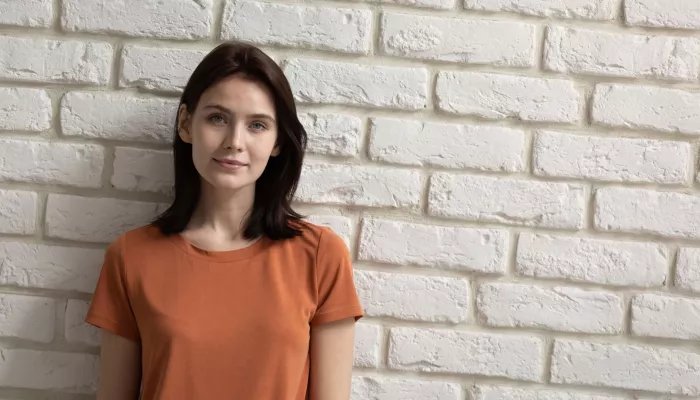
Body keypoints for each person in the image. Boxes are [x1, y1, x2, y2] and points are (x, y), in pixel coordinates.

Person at [85, 42, 364, 400]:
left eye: (258, 125)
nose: (235, 141)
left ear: (278, 141)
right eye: (217, 118)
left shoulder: (320, 256)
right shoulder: (130, 257)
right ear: (186, 124)